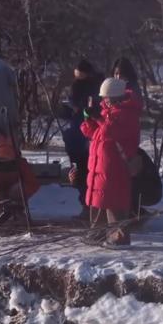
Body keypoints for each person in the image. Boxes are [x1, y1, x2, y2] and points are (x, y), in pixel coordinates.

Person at [80, 78, 141, 247]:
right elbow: (92, 133)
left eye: (107, 98)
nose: (105, 100)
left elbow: (112, 131)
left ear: (117, 97)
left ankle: (119, 237)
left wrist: (98, 118)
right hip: (100, 165)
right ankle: (97, 233)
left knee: (114, 201)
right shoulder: (107, 112)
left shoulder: (128, 113)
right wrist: (88, 118)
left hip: (115, 166)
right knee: (98, 200)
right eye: (104, 98)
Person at [64, 59, 103, 215]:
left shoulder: (87, 87)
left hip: (84, 134)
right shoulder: (93, 85)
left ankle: (89, 206)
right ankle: (88, 204)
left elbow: (80, 106)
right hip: (80, 133)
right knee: (83, 171)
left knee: (84, 170)